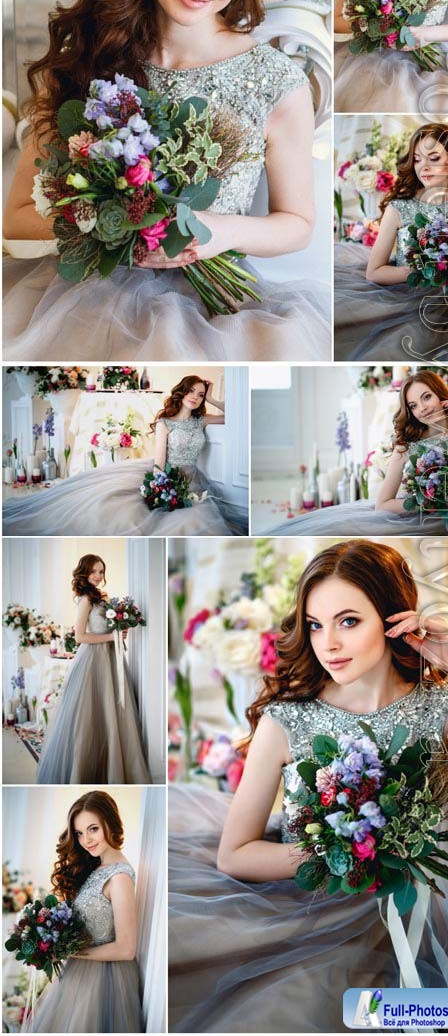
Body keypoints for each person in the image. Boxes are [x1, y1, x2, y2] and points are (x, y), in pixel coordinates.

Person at [3, 0, 330, 362]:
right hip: (80, 301)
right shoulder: (85, 57)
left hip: (216, 315)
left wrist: (216, 231)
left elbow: (298, 222)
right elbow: (17, 220)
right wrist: (113, 219)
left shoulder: (276, 81)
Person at [169, 540, 448, 1032]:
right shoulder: (288, 719)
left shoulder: (439, 707)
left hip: (392, 926)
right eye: (316, 625)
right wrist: (341, 854)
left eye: (348, 621)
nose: (328, 645)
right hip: (294, 910)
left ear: (393, 619)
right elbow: (234, 854)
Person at [3, 376, 247, 536]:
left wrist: (213, 398)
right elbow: (159, 461)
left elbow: (234, 414)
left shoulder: (201, 420)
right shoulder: (165, 423)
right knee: (113, 506)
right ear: (181, 393)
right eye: (192, 391)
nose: (196, 397)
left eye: (201, 394)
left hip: (193, 477)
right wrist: (162, 486)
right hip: (166, 474)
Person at [334, 123, 448, 360]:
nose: (424, 167)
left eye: (433, 157)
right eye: (418, 159)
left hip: (445, 303)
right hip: (400, 295)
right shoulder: (399, 207)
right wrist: (424, 271)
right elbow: (374, 272)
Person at [263, 370, 448, 537]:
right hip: (407, 517)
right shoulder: (407, 445)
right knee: (332, 530)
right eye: (412, 405)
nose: (422, 408)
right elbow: (383, 504)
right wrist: (425, 502)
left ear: (441, 395)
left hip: (446, 524)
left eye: (426, 397)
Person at [32, 791, 144, 1033]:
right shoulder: (98, 867)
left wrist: (70, 951)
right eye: (80, 833)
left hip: (105, 982)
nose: (86, 840)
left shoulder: (120, 877)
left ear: (110, 823)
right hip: (79, 974)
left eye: (93, 829)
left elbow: (126, 949)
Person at [36, 555, 151, 784]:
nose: (98, 576)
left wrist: (120, 630)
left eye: (101, 571)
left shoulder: (101, 597)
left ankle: (114, 767)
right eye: (94, 572)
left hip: (110, 658)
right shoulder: (85, 599)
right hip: (92, 661)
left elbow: (108, 628)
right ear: (84, 573)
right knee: (91, 716)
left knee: (112, 712)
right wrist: (112, 636)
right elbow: (79, 636)